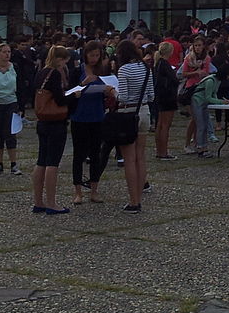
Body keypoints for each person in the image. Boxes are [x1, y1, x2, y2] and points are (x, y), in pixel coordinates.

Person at [110, 40, 155, 213]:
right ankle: (139, 196)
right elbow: (151, 95)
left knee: (129, 159)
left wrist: (112, 92)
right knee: (140, 157)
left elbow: (123, 97)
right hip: (144, 111)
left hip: (128, 113)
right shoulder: (146, 68)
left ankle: (133, 201)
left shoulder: (123, 70)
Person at [31, 45, 72, 214]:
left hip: (42, 121)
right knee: (52, 162)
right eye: (64, 62)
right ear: (60, 59)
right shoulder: (55, 74)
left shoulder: (41, 72)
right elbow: (60, 99)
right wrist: (73, 95)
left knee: (41, 160)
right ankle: (51, 203)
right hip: (55, 121)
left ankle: (38, 201)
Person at [70, 41, 112, 204]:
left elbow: (109, 89)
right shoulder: (77, 71)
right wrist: (82, 84)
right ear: (85, 55)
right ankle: (78, 192)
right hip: (79, 116)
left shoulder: (103, 71)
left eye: (97, 55)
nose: (94, 58)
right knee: (79, 154)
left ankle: (94, 190)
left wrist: (108, 91)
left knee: (96, 154)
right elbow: (69, 91)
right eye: (91, 55)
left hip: (97, 115)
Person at [0, 44, 21, 175]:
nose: (7, 54)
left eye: (9, 52)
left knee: (10, 133)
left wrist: (21, 106)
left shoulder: (15, 67)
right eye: (4, 52)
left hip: (11, 102)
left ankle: (13, 164)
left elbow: (21, 86)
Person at [152, 42, 180, 160]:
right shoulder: (165, 64)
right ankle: (163, 152)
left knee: (160, 124)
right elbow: (173, 80)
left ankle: (160, 150)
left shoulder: (158, 63)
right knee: (165, 125)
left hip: (160, 96)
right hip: (168, 97)